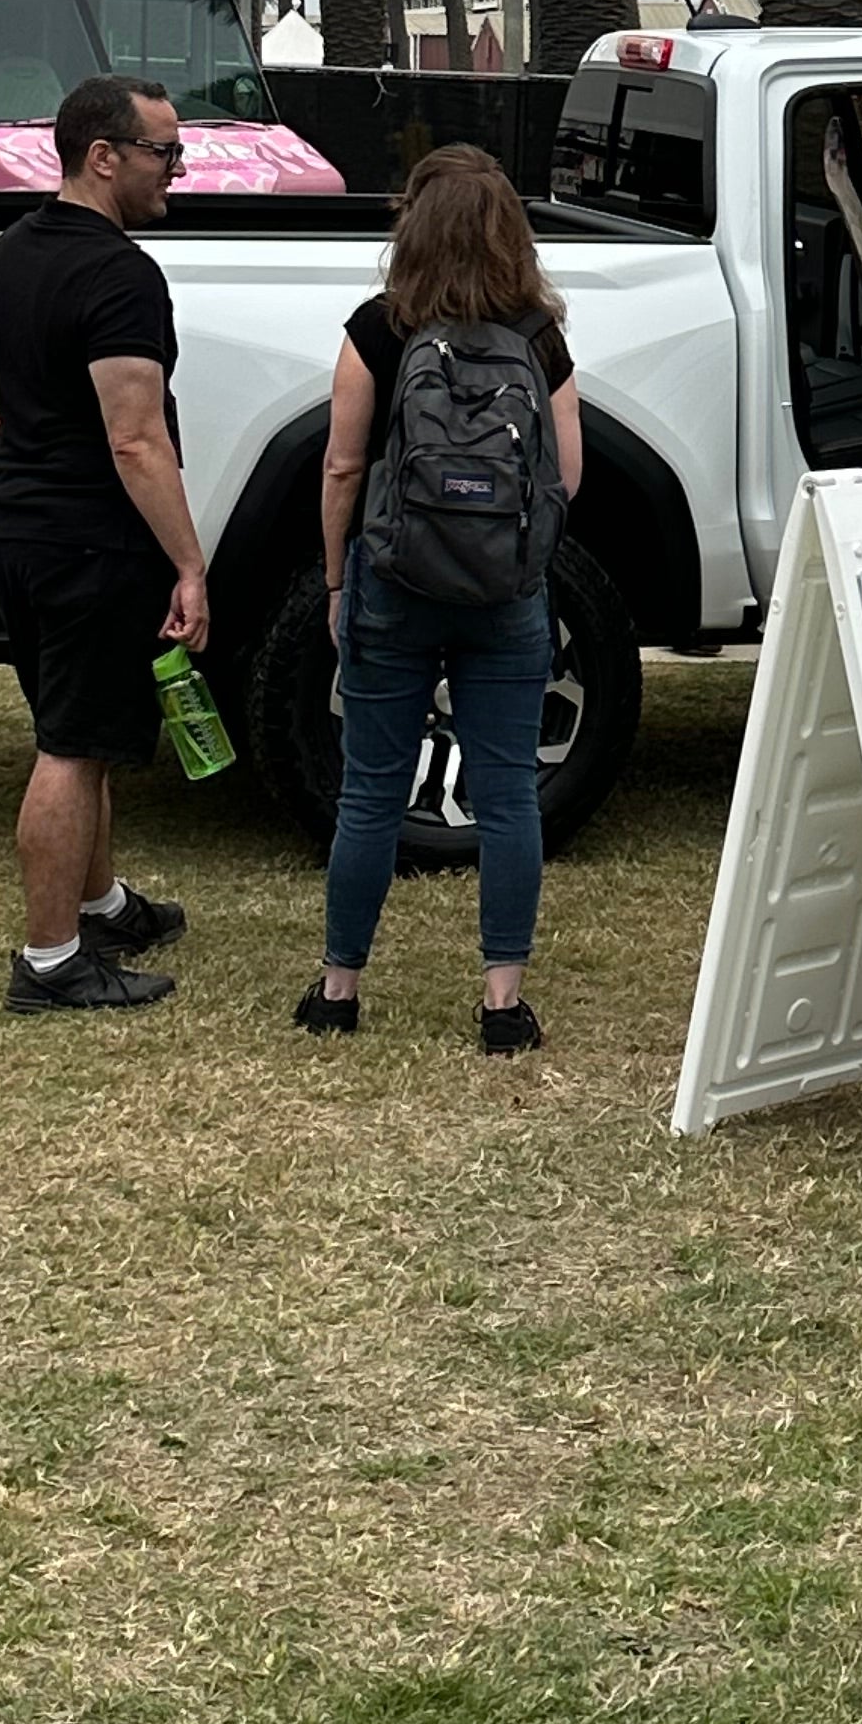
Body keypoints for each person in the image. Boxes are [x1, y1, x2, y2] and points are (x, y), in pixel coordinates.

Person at [296, 147, 583, 1055]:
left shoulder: (379, 328)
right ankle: (502, 1005)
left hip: (395, 583)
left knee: (372, 792)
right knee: (508, 796)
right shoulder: (539, 335)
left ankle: (340, 988)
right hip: (505, 590)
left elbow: (344, 463)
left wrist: (340, 581)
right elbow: (566, 474)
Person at [0, 73, 202, 1014]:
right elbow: (134, 437)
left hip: (20, 534)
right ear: (101, 156)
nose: (175, 174)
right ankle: (52, 960)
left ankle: (101, 905)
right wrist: (190, 563)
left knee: (85, 736)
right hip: (88, 546)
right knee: (71, 749)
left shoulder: (10, 255)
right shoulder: (118, 274)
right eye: (163, 154)